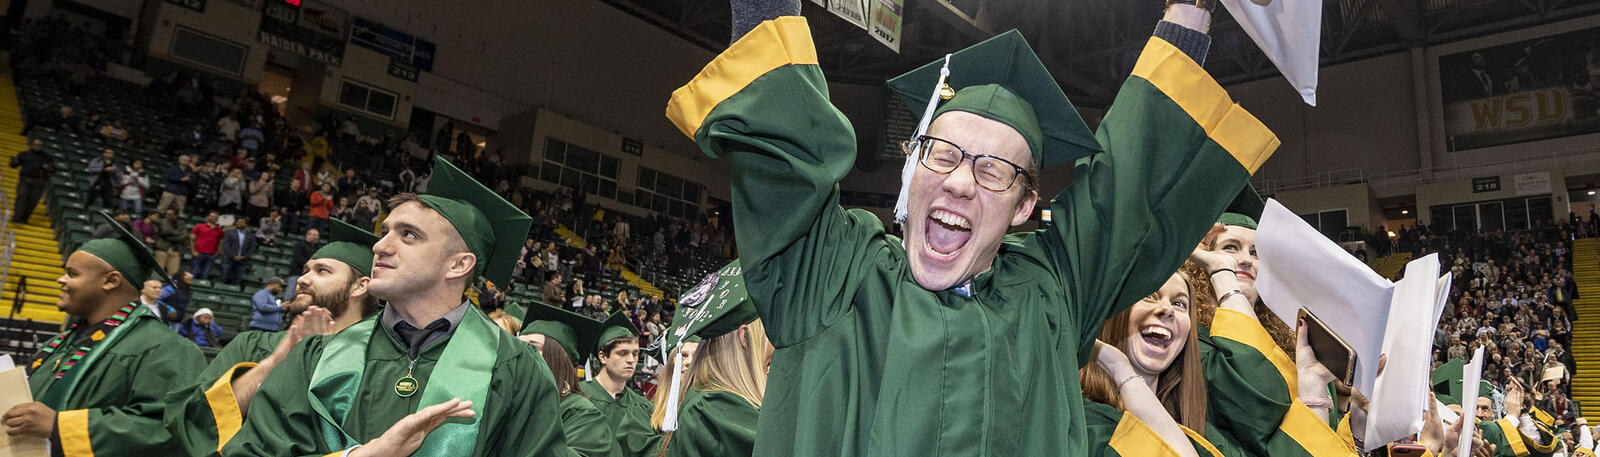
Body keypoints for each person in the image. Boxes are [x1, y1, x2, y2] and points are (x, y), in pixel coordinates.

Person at [660, 0, 1276, 454]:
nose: (959, 182)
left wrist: (1192, 10)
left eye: (993, 170)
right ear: (912, 167)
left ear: (1025, 206)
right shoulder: (833, 274)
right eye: (943, 154)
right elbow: (785, 147)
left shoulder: (1048, 296)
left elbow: (1130, 184)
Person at [223, 157, 569, 456]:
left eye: (408, 235)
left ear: (459, 265)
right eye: (384, 232)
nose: (379, 247)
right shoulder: (316, 356)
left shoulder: (516, 368)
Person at [165, 218, 382, 456]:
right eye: (305, 271)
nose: (302, 279)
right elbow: (195, 423)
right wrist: (277, 359)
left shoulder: (380, 360)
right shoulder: (253, 344)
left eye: (322, 271)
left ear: (360, 286)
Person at [1, 211, 204, 455]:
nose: (60, 280)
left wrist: (59, 426)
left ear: (110, 281)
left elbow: (169, 430)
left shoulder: (165, 348)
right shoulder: (60, 343)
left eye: (72, 274)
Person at [658, 261, 768, 457]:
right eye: (767, 334)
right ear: (744, 337)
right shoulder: (713, 408)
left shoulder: (711, 402)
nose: (774, 345)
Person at [520, 305, 625, 457]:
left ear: (558, 357)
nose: (520, 352)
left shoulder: (580, 412)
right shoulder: (506, 397)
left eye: (532, 347)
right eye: (517, 344)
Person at [581, 311, 658, 456]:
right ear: (603, 357)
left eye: (635, 354)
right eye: (623, 353)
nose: (631, 360)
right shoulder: (579, 397)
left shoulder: (642, 406)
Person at [10, 138, 54, 223]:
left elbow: (53, 169)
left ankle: (24, 219)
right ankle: (16, 218)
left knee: (32, 201)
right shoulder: (23, 154)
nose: (37, 147)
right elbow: (14, 165)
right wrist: (14, 162)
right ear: (31, 145)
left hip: (39, 182)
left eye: (39, 145)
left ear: (42, 147)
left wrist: (48, 167)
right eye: (35, 145)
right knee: (21, 198)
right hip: (25, 180)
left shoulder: (47, 157)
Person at [284, 228, 321, 300]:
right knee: (290, 294)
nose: (316, 237)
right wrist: (310, 265)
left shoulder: (317, 248)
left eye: (317, 235)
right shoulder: (299, 245)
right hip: (297, 273)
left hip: (309, 275)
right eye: (314, 235)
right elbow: (297, 258)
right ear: (308, 235)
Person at [218, 217, 256, 286]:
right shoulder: (229, 233)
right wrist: (233, 256)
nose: (239, 223)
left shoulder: (250, 236)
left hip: (242, 261)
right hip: (228, 259)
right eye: (238, 221)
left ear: (245, 224)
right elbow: (226, 245)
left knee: (236, 280)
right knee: (224, 277)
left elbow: (252, 247)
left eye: (241, 222)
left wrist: (244, 256)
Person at [153, 208, 187, 276]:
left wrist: (169, 236)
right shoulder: (162, 221)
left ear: (176, 215)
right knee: (157, 272)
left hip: (176, 250)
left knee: (173, 274)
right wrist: (178, 233)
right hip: (162, 249)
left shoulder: (182, 224)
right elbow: (164, 232)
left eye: (170, 215)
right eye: (166, 214)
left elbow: (183, 237)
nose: (167, 216)